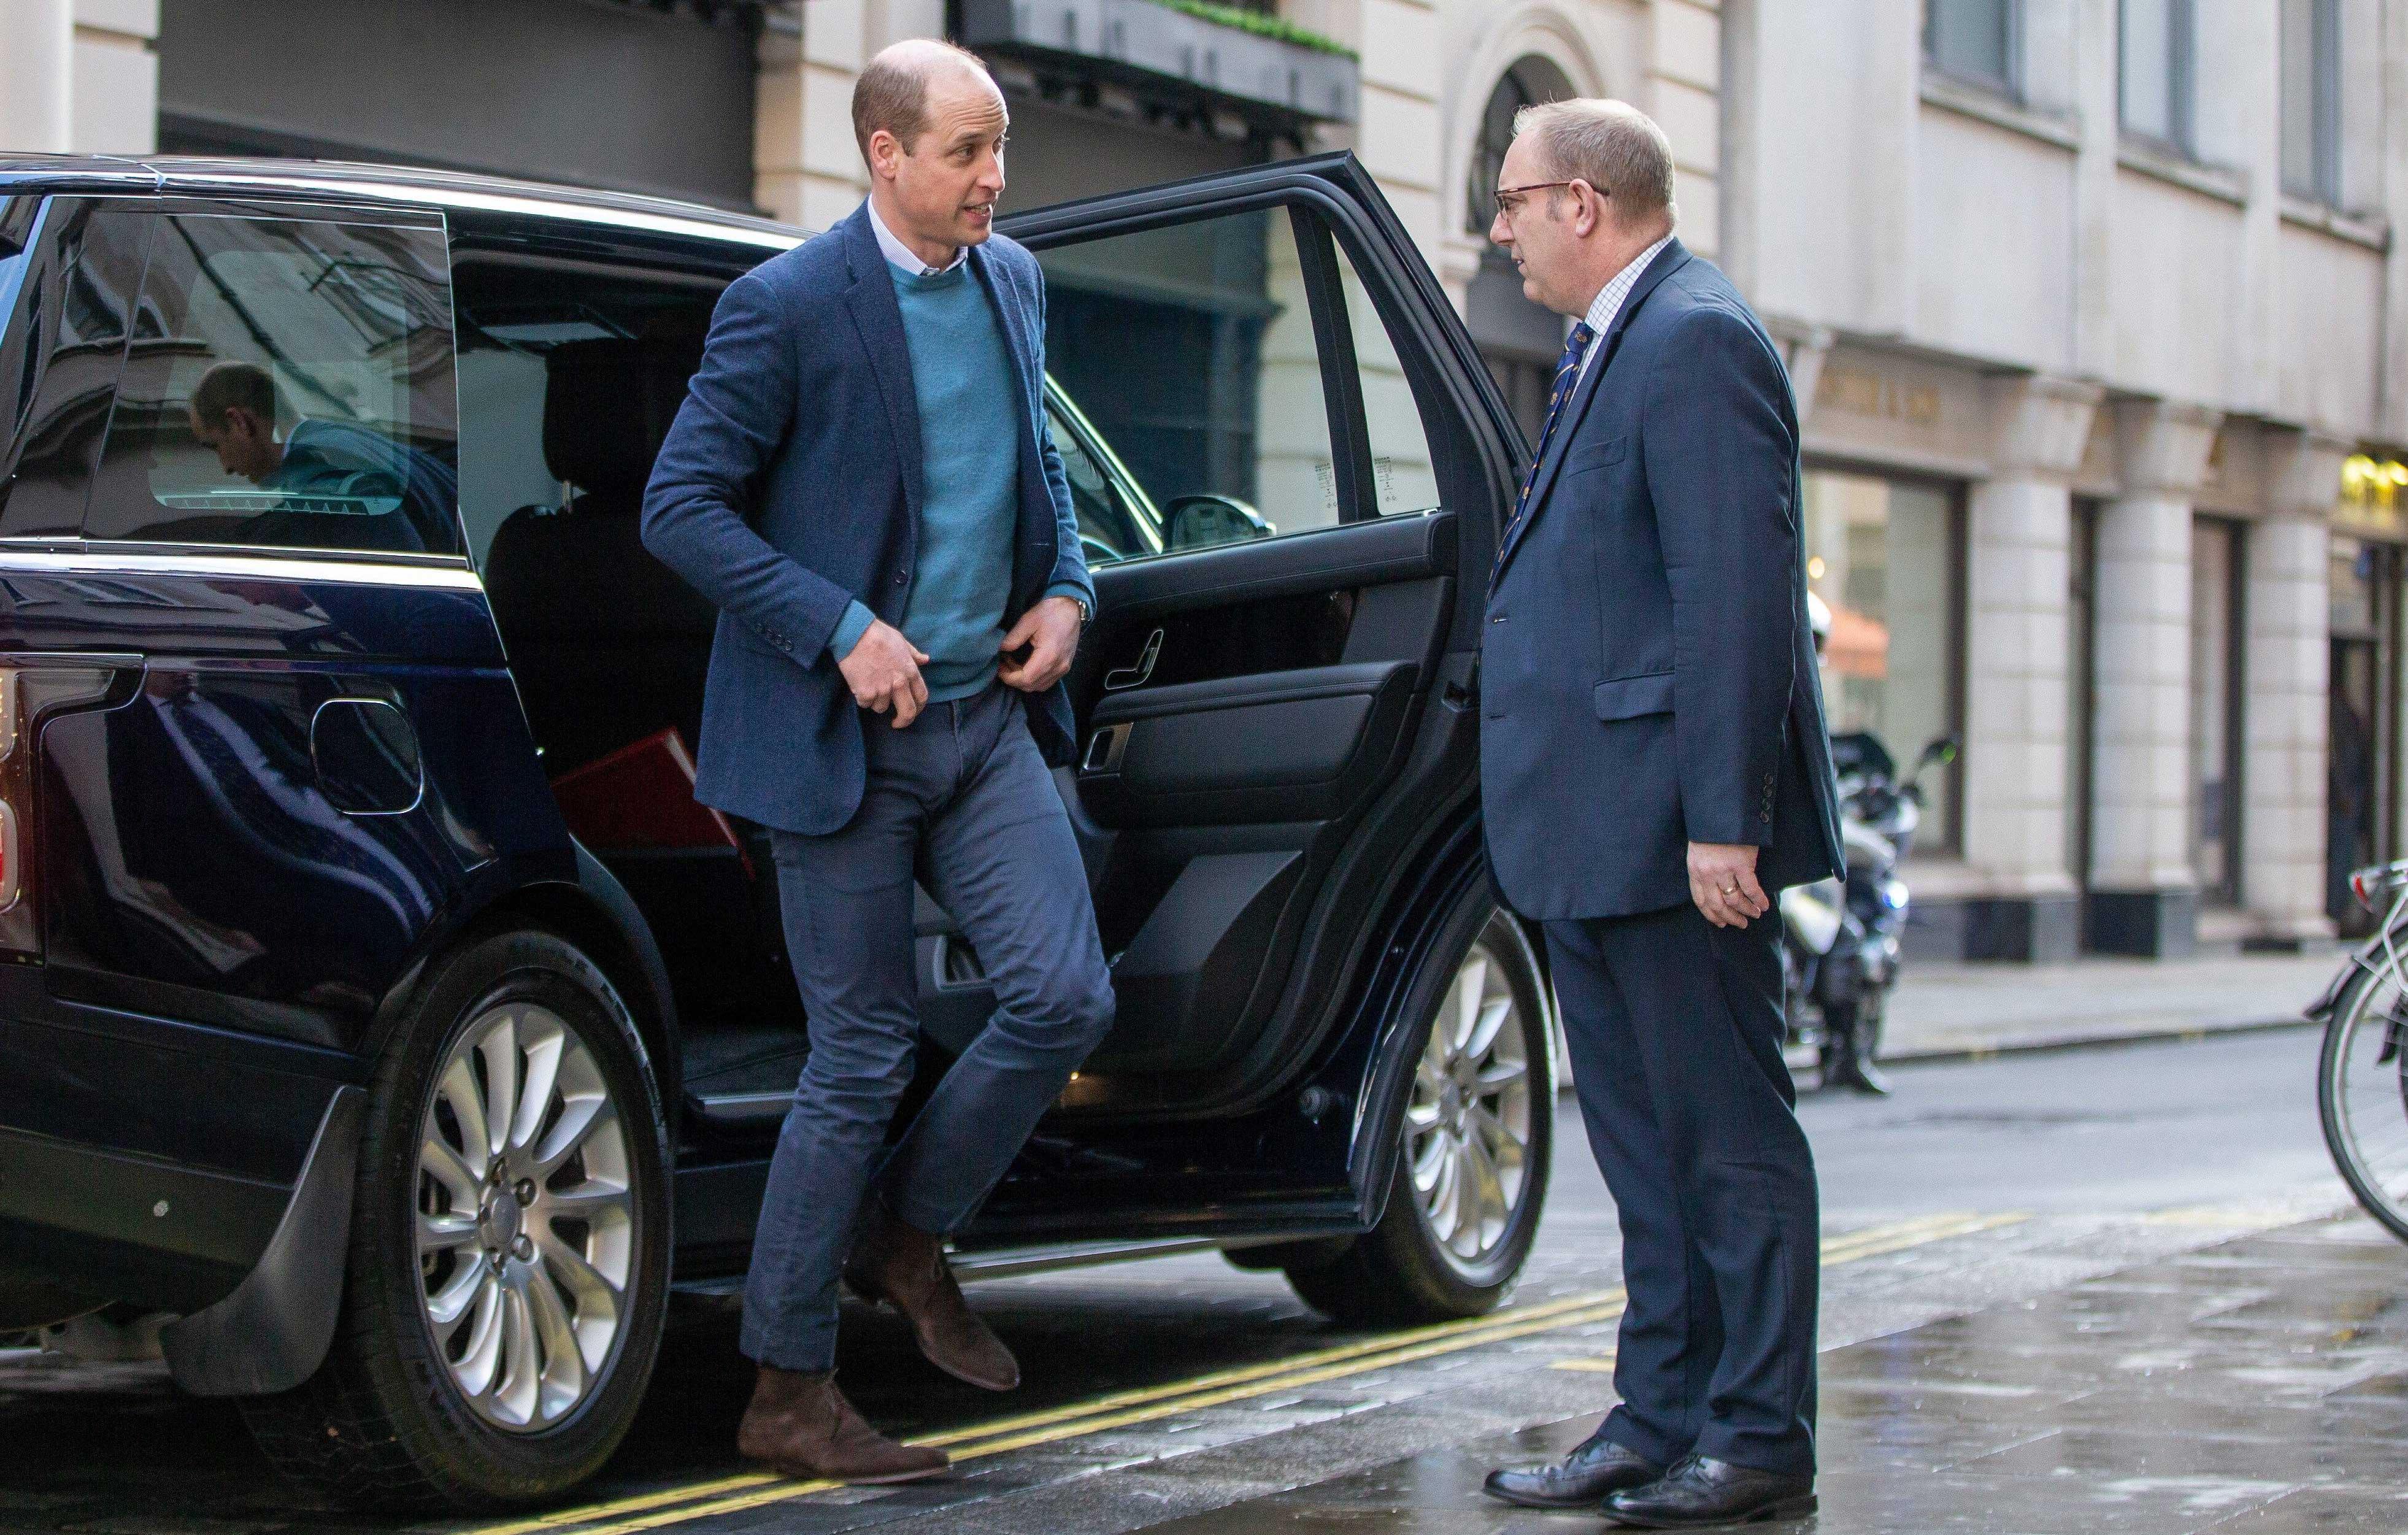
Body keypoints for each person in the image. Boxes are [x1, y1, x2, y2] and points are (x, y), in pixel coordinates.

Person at [640, 39, 1112, 1486]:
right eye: (966, 151)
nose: (993, 179)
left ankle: (903, 1236)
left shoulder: (1010, 280)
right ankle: (787, 1389)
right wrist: (839, 625)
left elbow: (1034, 471)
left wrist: (1072, 589)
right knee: (857, 1049)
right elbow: (678, 507)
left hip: (982, 725)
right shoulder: (782, 308)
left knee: (1061, 994)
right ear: (882, 154)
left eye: (1000, 149)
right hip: (839, 739)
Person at [1473, 100, 1844, 1529]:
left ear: (1580, 201)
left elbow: (1732, 601)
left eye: (1510, 202)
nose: (1496, 230)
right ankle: (1657, 1414)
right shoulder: (1614, 340)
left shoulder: (1692, 337)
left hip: (1671, 838)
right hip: (1590, 830)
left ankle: (1755, 1436)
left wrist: (1720, 825)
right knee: (1641, 1150)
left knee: (1726, 1142)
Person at [186, 360, 454, 552]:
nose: (225, 468)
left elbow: (406, 594)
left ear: (238, 423)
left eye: (216, 446)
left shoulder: (320, 478)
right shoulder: (347, 439)